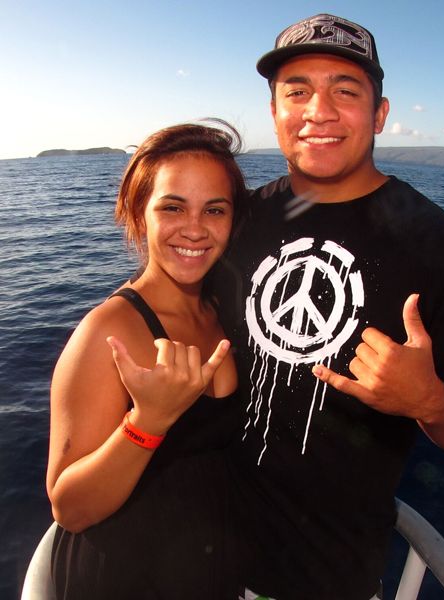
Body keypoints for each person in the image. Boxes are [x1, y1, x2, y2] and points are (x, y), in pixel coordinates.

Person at [221, 14, 444, 600]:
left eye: (345, 92)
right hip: (193, 557)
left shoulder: (436, 244)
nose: (318, 111)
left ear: (379, 113)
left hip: (327, 580)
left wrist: (428, 400)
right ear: (274, 110)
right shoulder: (236, 220)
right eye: (296, 91)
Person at [46, 121, 248, 599]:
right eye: (172, 207)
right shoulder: (110, 330)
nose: (195, 229)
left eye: (214, 210)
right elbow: (69, 507)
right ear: (140, 214)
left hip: (205, 573)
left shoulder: (219, 308)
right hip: (123, 580)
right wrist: (148, 422)